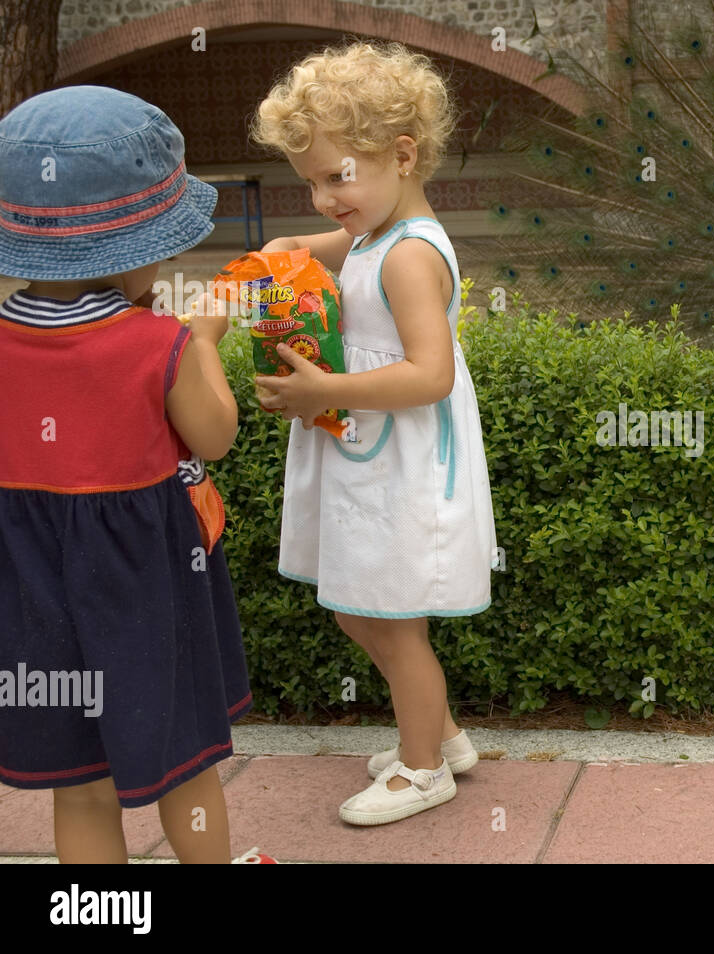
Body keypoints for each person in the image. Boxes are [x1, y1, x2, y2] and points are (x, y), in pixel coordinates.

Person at [251, 41, 499, 825]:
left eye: (336, 178)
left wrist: (325, 388)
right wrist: (284, 254)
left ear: (401, 154)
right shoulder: (371, 237)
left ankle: (424, 771)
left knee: (391, 618)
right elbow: (310, 252)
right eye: (310, 183)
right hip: (369, 453)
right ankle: (445, 736)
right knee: (361, 606)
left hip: (403, 461)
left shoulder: (409, 259)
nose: (324, 200)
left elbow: (431, 375)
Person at [0, 86, 249, 862]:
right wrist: (204, 338)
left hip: (30, 593)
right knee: (186, 765)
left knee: (79, 783)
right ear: (135, 248)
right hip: (147, 589)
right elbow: (216, 433)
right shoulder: (156, 344)